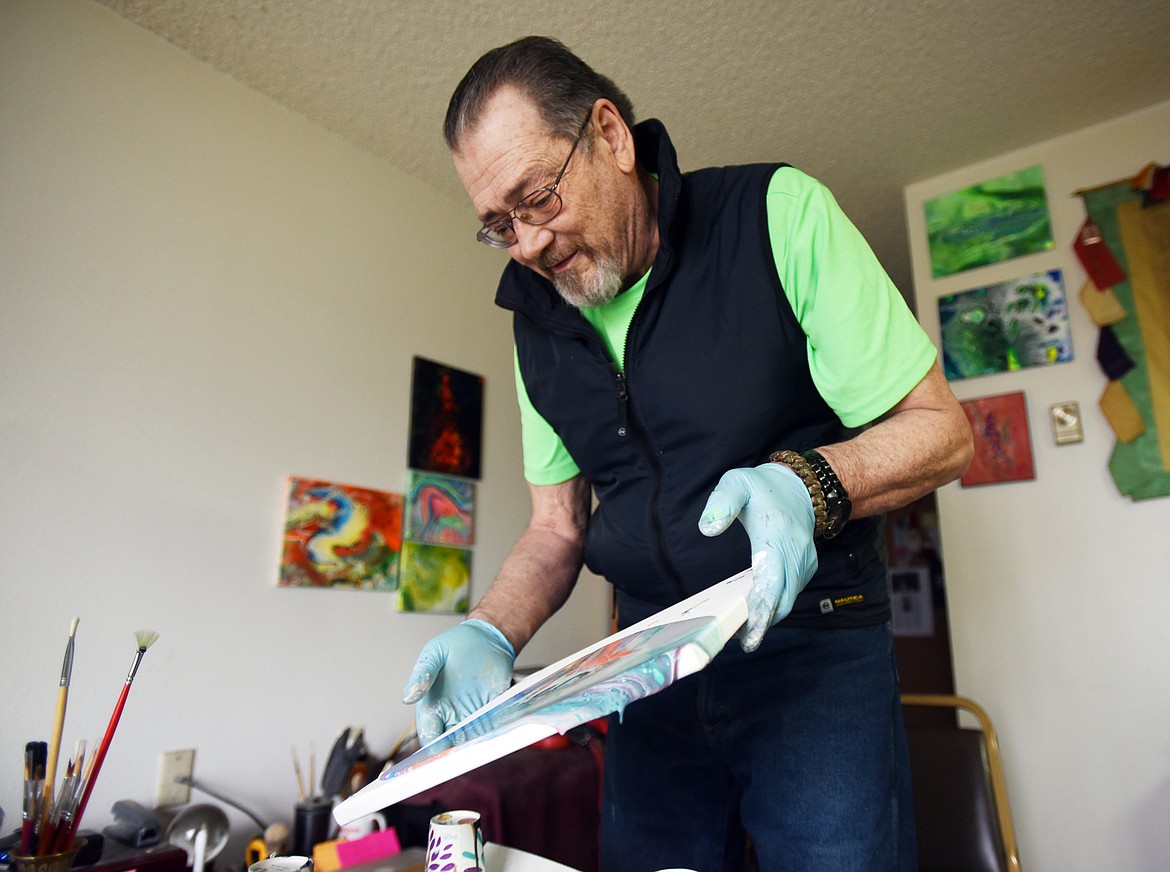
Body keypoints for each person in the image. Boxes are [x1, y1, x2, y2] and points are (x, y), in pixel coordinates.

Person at [401, 36, 974, 872]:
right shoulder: (536, 321)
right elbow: (557, 528)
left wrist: (812, 480)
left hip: (811, 641)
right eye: (499, 225)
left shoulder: (776, 214)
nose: (526, 245)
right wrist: (493, 626)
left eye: (536, 199)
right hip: (644, 666)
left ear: (610, 135)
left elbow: (942, 429)